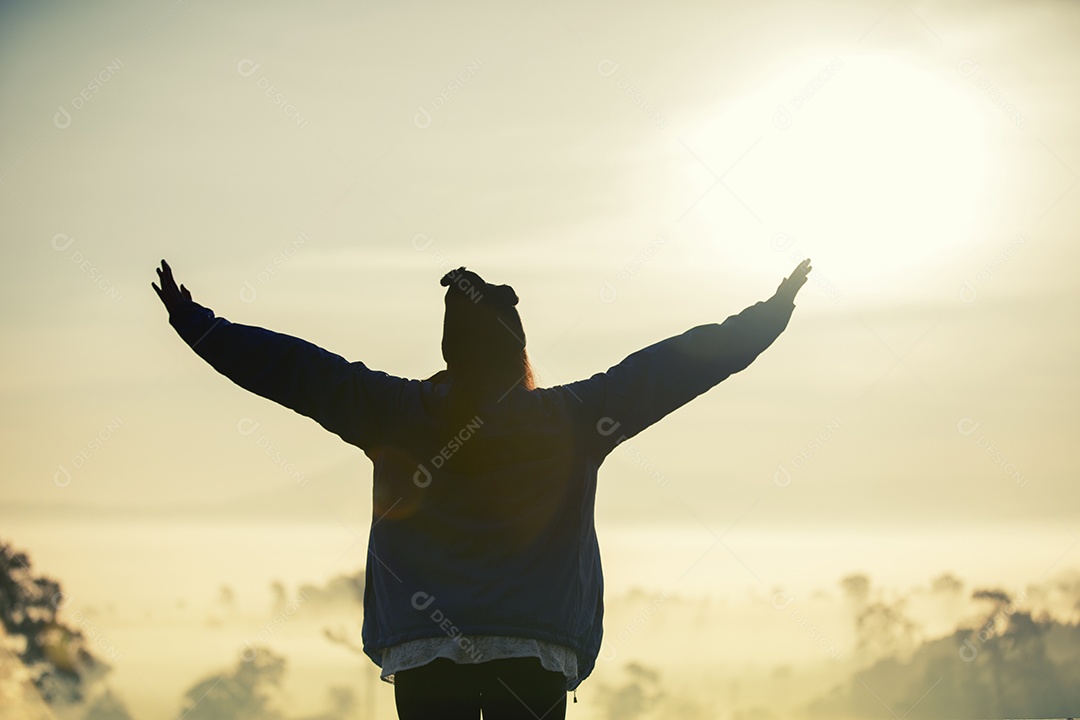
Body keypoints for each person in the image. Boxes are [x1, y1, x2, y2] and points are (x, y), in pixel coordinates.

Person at [153, 257, 811, 719]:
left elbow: (295, 371)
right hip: (534, 646)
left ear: (450, 349)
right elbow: (667, 372)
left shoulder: (390, 411)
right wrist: (769, 316)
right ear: (516, 350)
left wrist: (196, 323)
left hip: (423, 647)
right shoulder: (575, 418)